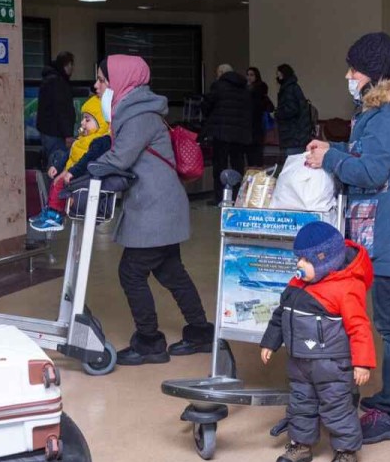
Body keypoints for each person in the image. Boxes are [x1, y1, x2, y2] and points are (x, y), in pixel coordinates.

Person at [305, 32, 390, 444]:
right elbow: (369, 152)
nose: (349, 75)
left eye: (354, 69)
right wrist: (336, 148)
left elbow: (372, 171)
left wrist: (331, 158)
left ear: (374, 74)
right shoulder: (385, 112)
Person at [92, 55, 214, 365]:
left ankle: (149, 343)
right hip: (160, 204)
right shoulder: (138, 110)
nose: (97, 86)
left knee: (131, 272)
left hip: (156, 207)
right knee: (171, 271)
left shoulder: (138, 116)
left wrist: (84, 171)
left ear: (121, 82)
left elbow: (120, 158)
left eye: (103, 80)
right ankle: (200, 332)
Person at [260, 222, 375, 462]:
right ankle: (301, 446)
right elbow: (281, 314)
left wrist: (362, 362)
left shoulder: (346, 287)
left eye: (307, 260)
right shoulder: (296, 284)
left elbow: (359, 326)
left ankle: (346, 451)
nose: (299, 264)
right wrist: (270, 342)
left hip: (332, 364)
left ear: (326, 261)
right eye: (298, 257)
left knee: (336, 406)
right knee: (300, 404)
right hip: (299, 361)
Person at [30, 95, 111, 232]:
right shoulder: (82, 140)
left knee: (59, 184)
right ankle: (50, 211)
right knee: (56, 182)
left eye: (87, 120)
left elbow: (86, 160)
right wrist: (58, 167)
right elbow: (70, 153)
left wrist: (72, 172)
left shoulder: (98, 142)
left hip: (81, 177)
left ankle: (55, 215)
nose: (83, 123)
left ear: (101, 122)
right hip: (72, 173)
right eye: (83, 119)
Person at [203, 64, 253, 205]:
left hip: (221, 132)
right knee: (238, 164)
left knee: (220, 165)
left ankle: (220, 197)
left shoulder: (218, 86)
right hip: (240, 133)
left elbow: (207, 105)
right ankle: (238, 196)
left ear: (221, 73)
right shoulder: (244, 88)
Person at [37, 51, 76, 171]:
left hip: (48, 130)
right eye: (71, 65)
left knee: (53, 162)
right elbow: (61, 110)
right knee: (57, 164)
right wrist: (68, 134)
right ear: (66, 65)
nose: (72, 69)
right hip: (56, 133)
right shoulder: (57, 82)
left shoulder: (50, 79)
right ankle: (54, 189)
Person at [275, 64, 313, 155]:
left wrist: (277, 113)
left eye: (279, 74)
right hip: (298, 134)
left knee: (291, 162)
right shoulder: (293, 87)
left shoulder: (288, 88)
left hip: (292, 135)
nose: (277, 77)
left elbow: (291, 109)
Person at [247, 66, 274, 167]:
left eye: (252, 75)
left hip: (257, 124)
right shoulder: (248, 89)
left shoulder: (258, 90)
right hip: (252, 126)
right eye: (248, 75)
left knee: (256, 152)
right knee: (253, 152)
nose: (249, 77)